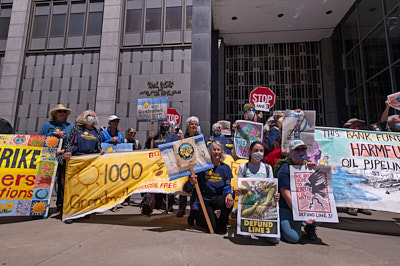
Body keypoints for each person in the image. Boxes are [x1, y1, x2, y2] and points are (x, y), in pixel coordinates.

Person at [63, 110, 105, 224]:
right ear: (84, 117)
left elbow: (99, 146)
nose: (91, 118)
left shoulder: (97, 132)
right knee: (74, 187)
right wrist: (67, 152)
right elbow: (69, 143)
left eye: (93, 116)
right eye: (88, 116)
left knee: (87, 188)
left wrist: (101, 151)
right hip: (77, 160)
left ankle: (84, 211)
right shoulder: (77, 129)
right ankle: (70, 213)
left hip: (90, 162)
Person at [183, 141, 234, 234]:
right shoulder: (202, 167)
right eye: (214, 149)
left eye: (218, 150)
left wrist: (229, 194)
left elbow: (227, 185)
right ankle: (199, 216)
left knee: (229, 201)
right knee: (214, 229)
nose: (216, 152)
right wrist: (191, 182)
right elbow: (186, 188)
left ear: (222, 152)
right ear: (210, 152)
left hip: (216, 198)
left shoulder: (225, 168)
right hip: (203, 201)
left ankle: (222, 221)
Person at [235, 141, 280, 244]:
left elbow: (272, 187)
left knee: (275, 240)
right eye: (256, 150)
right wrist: (238, 191)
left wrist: (276, 195)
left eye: (261, 151)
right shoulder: (243, 167)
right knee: (246, 235)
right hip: (248, 204)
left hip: (264, 204)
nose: (258, 153)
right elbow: (241, 188)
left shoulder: (268, 168)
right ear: (250, 152)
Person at [275, 139, 319, 243]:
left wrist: (315, 169)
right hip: (287, 207)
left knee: (322, 215)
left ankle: (310, 227)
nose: (301, 152)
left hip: (305, 204)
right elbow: (287, 196)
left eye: (303, 149)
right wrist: (302, 215)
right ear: (291, 153)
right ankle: (284, 225)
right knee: (293, 238)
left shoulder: (309, 166)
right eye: (297, 150)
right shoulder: (284, 170)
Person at [39, 104, 74, 213]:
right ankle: (40, 207)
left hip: (63, 156)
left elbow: (73, 141)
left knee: (62, 182)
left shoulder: (70, 127)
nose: (62, 114)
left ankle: (61, 205)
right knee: (44, 181)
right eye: (60, 111)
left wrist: (66, 151)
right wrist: (53, 133)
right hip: (48, 157)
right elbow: (39, 139)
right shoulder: (47, 125)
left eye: (64, 112)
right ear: (55, 114)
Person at [142, 121, 180, 215]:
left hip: (169, 164)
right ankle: (157, 204)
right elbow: (147, 147)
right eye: (163, 124)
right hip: (156, 165)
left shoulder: (172, 136)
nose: (164, 126)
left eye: (166, 124)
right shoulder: (154, 136)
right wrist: (149, 139)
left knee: (168, 185)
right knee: (158, 185)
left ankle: (168, 205)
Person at [343, 118, 372, 216]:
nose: (358, 127)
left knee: (363, 185)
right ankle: (352, 206)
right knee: (351, 185)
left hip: (362, 165)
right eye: (355, 125)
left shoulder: (365, 138)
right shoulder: (343, 138)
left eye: (359, 125)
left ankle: (363, 206)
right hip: (350, 165)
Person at [177, 116, 200, 217]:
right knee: (184, 186)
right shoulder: (182, 137)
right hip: (185, 165)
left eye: (195, 124)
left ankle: (194, 210)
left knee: (195, 187)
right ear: (187, 126)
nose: (193, 126)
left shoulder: (200, 137)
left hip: (197, 166)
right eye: (191, 124)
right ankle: (181, 209)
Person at [122, 128, 142, 207]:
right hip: (124, 165)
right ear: (127, 133)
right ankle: (124, 199)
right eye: (131, 133)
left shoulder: (137, 143)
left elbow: (140, 152)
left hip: (133, 165)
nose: (132, 134)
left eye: (134, 133)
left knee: (131, 184)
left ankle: (128, 199)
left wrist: (135, 149)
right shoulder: (124, 142)